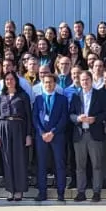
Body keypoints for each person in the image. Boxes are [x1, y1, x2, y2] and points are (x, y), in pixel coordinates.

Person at [70, 69, 106, 202]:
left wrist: (95, 119)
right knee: (80, 166)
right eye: (82, 80)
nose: (85, 82)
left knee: (97, 165)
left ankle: (96, 192)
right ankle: (81, 192)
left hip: (95, 134)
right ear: (79, 82)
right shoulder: (75, 96)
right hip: (80, 135)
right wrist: (78, 118)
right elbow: (71, 114)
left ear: (91, 81)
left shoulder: (100, 95)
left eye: (87, 80)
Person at [0, 72, 32, 202]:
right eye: (7, 79)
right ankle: (10, 190)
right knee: (7, 159)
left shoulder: (23, 96)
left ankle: (19, 190)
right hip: (3, 127)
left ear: (16, 81)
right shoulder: (1, 96)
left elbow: (28, 116)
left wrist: (28, 134)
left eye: (11, 79)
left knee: (19, 159)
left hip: (19, 127)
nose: (9, 81)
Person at [32, 73, 69, 202]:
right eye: (46, 82)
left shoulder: (62, 99)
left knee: (59, 165)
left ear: (55, 84)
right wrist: (42, 133)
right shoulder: (38, 99)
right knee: (41, 165)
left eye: (50, 82)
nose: (48, 85)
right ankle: (42, 193)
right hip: (41, 137)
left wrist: (52, 132)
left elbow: (64, 118)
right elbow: (35, 118)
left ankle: (60, 192)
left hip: (57, 136)